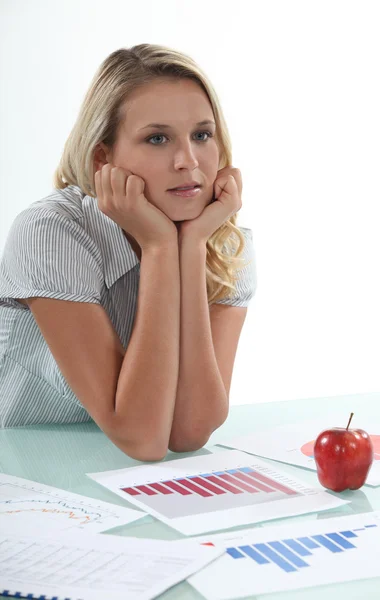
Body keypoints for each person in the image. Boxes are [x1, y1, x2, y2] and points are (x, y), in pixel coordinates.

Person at [0, 43, 257, 460]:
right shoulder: (51, 233)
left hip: (118, 473)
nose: (187, 161)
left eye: (202, 135)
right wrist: (158, 247)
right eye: (157, 138)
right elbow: (143, 439)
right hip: (23, 468)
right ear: (104, 159)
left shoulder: (224, 242)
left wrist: (190, 248)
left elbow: (190, 431)